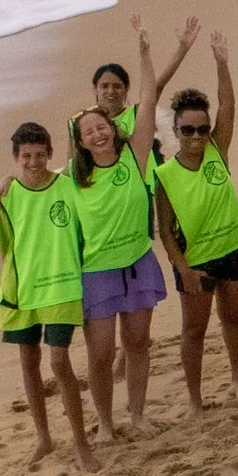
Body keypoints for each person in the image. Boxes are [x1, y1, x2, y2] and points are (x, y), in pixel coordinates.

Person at [152, 31, 238, 407]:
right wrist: (185, 269)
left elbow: (227, 104)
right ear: (175, 131)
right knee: (194, 330)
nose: (196, 136)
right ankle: (195, 399)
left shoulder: (217, 151)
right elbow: (164, 231)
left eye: (202, 128)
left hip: (235, 249)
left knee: (234, 319)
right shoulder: (164, 175)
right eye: (188, 129)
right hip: (195, 261)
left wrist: (222, 62)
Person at [0, 121, 96, 471]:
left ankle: (82, 443)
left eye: (40, 155)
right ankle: (43, 437)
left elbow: (85, 236)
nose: (34, 162)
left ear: (50, 154)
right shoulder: (7, 196)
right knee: (28, 361)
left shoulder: (67, 188)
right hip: (23, 290)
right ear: (15, 157)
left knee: (58, 362)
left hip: (63, 287)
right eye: (26, 156)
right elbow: (6, 248)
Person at [70, 81, 165, 438]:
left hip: (138, 262)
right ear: (80, 142)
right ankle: (106, 425)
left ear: (113, 129)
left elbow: (150, 99)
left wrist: (144, 50)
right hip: (97, 272)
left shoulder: (135, 156)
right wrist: (6, 180)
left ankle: (138, 416)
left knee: (138, 343)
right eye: (88, 132)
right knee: (101, 354)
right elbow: (38, 184)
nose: (97, 135)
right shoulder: (74, 177)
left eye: (101, 127)